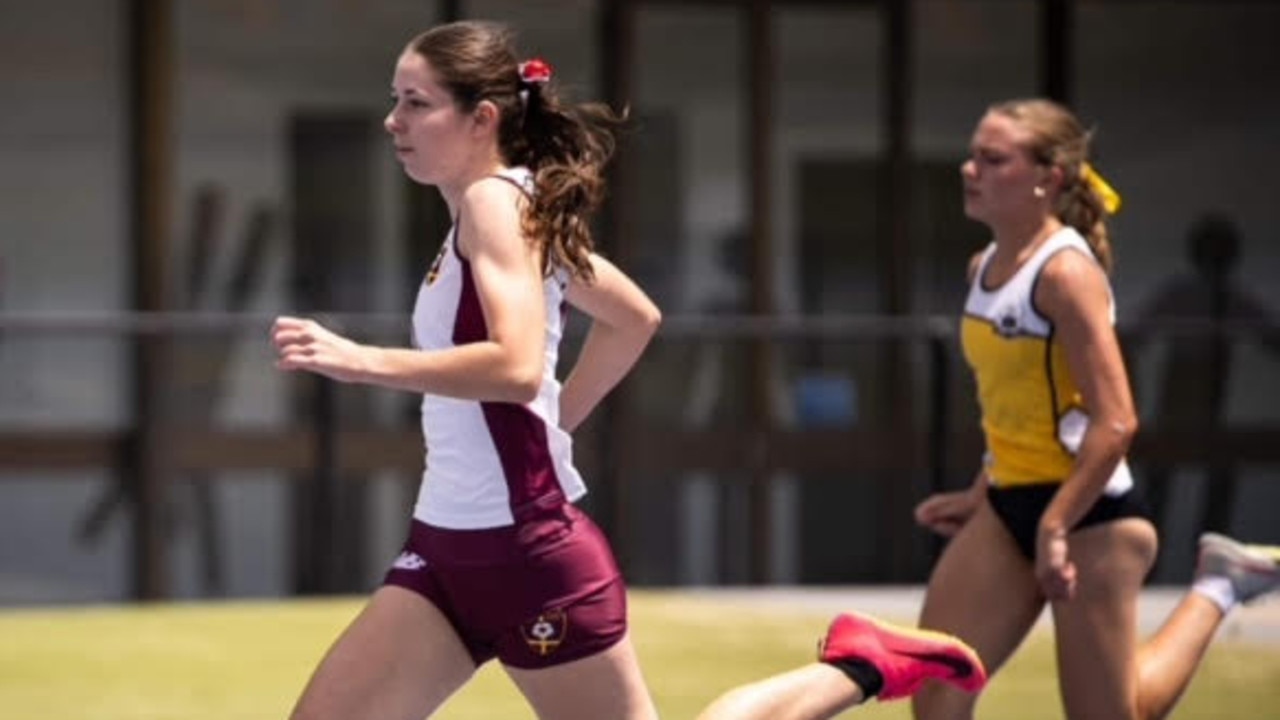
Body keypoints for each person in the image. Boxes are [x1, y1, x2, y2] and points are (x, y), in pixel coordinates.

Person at [273, 20, 985, 720]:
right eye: (395, 98)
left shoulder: (496, 204)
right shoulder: (501, 210)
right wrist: (558, 423)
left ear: (480, 118)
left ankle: (857, 665)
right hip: (444, 549)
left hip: (530, 560)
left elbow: (519, 367)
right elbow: (634, 318)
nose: (392, 119)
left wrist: (363, 360)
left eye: (415, 102)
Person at [910, 97, 1280, 720]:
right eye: (972, 155)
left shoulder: (1065, 275)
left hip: (1092, 515)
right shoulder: (983, 268)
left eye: (992, 158)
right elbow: (1017, 403)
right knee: (935, 695)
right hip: (1009, 506)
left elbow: (1117, 421)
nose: (970, 170)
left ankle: (1219, 583)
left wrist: (1055, 526)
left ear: (1047, 179)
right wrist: (982, 489)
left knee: (1113, 715)